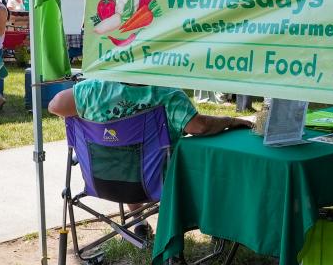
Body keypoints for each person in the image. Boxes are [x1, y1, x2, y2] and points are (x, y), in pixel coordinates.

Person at [48, 78, 251, 236]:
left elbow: (55, 105)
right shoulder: (166, 94)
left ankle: (138, 222)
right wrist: (230, 121)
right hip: (155, 185)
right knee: (174, 161)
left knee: (126, 157)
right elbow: (199, 127)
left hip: (101, 181)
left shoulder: (92, 90)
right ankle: (213, 226)